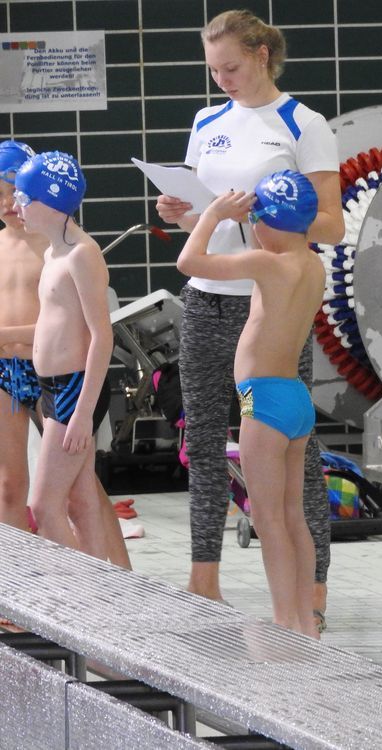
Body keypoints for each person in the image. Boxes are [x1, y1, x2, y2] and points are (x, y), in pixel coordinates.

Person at [155, 10, 344, 629]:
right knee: (202, 441)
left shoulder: (302, 123)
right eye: (214, 71)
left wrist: (261, 210)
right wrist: (182, 211)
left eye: (231, 67)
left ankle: (310, 594)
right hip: (208, 295)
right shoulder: (207, 122)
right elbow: (198, 220)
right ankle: (203, 579)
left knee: (296, 460)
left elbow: (330, 224)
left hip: (269, 302)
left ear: (263, 55)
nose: (223, 81)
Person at [177, 170, 325, 638]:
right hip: (295, 399)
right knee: (293, 516)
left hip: (263, 402)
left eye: (256, 219)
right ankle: (305, 620)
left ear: (267, 223)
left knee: (267, 517)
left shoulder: (267, 263)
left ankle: (284, 621)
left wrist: (215, 214)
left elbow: (189, 262)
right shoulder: (312, 265)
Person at [0, 140, 131, 571]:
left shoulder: (71, 251)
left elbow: (93, 333)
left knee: (60, 496)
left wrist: (83, 412)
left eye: (19, 194)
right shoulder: (42, 248)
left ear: (48, 201)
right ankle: (63, 588)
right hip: (29, 379)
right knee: (48, 493)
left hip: (66, 382)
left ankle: (99, 579)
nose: (12, 204)